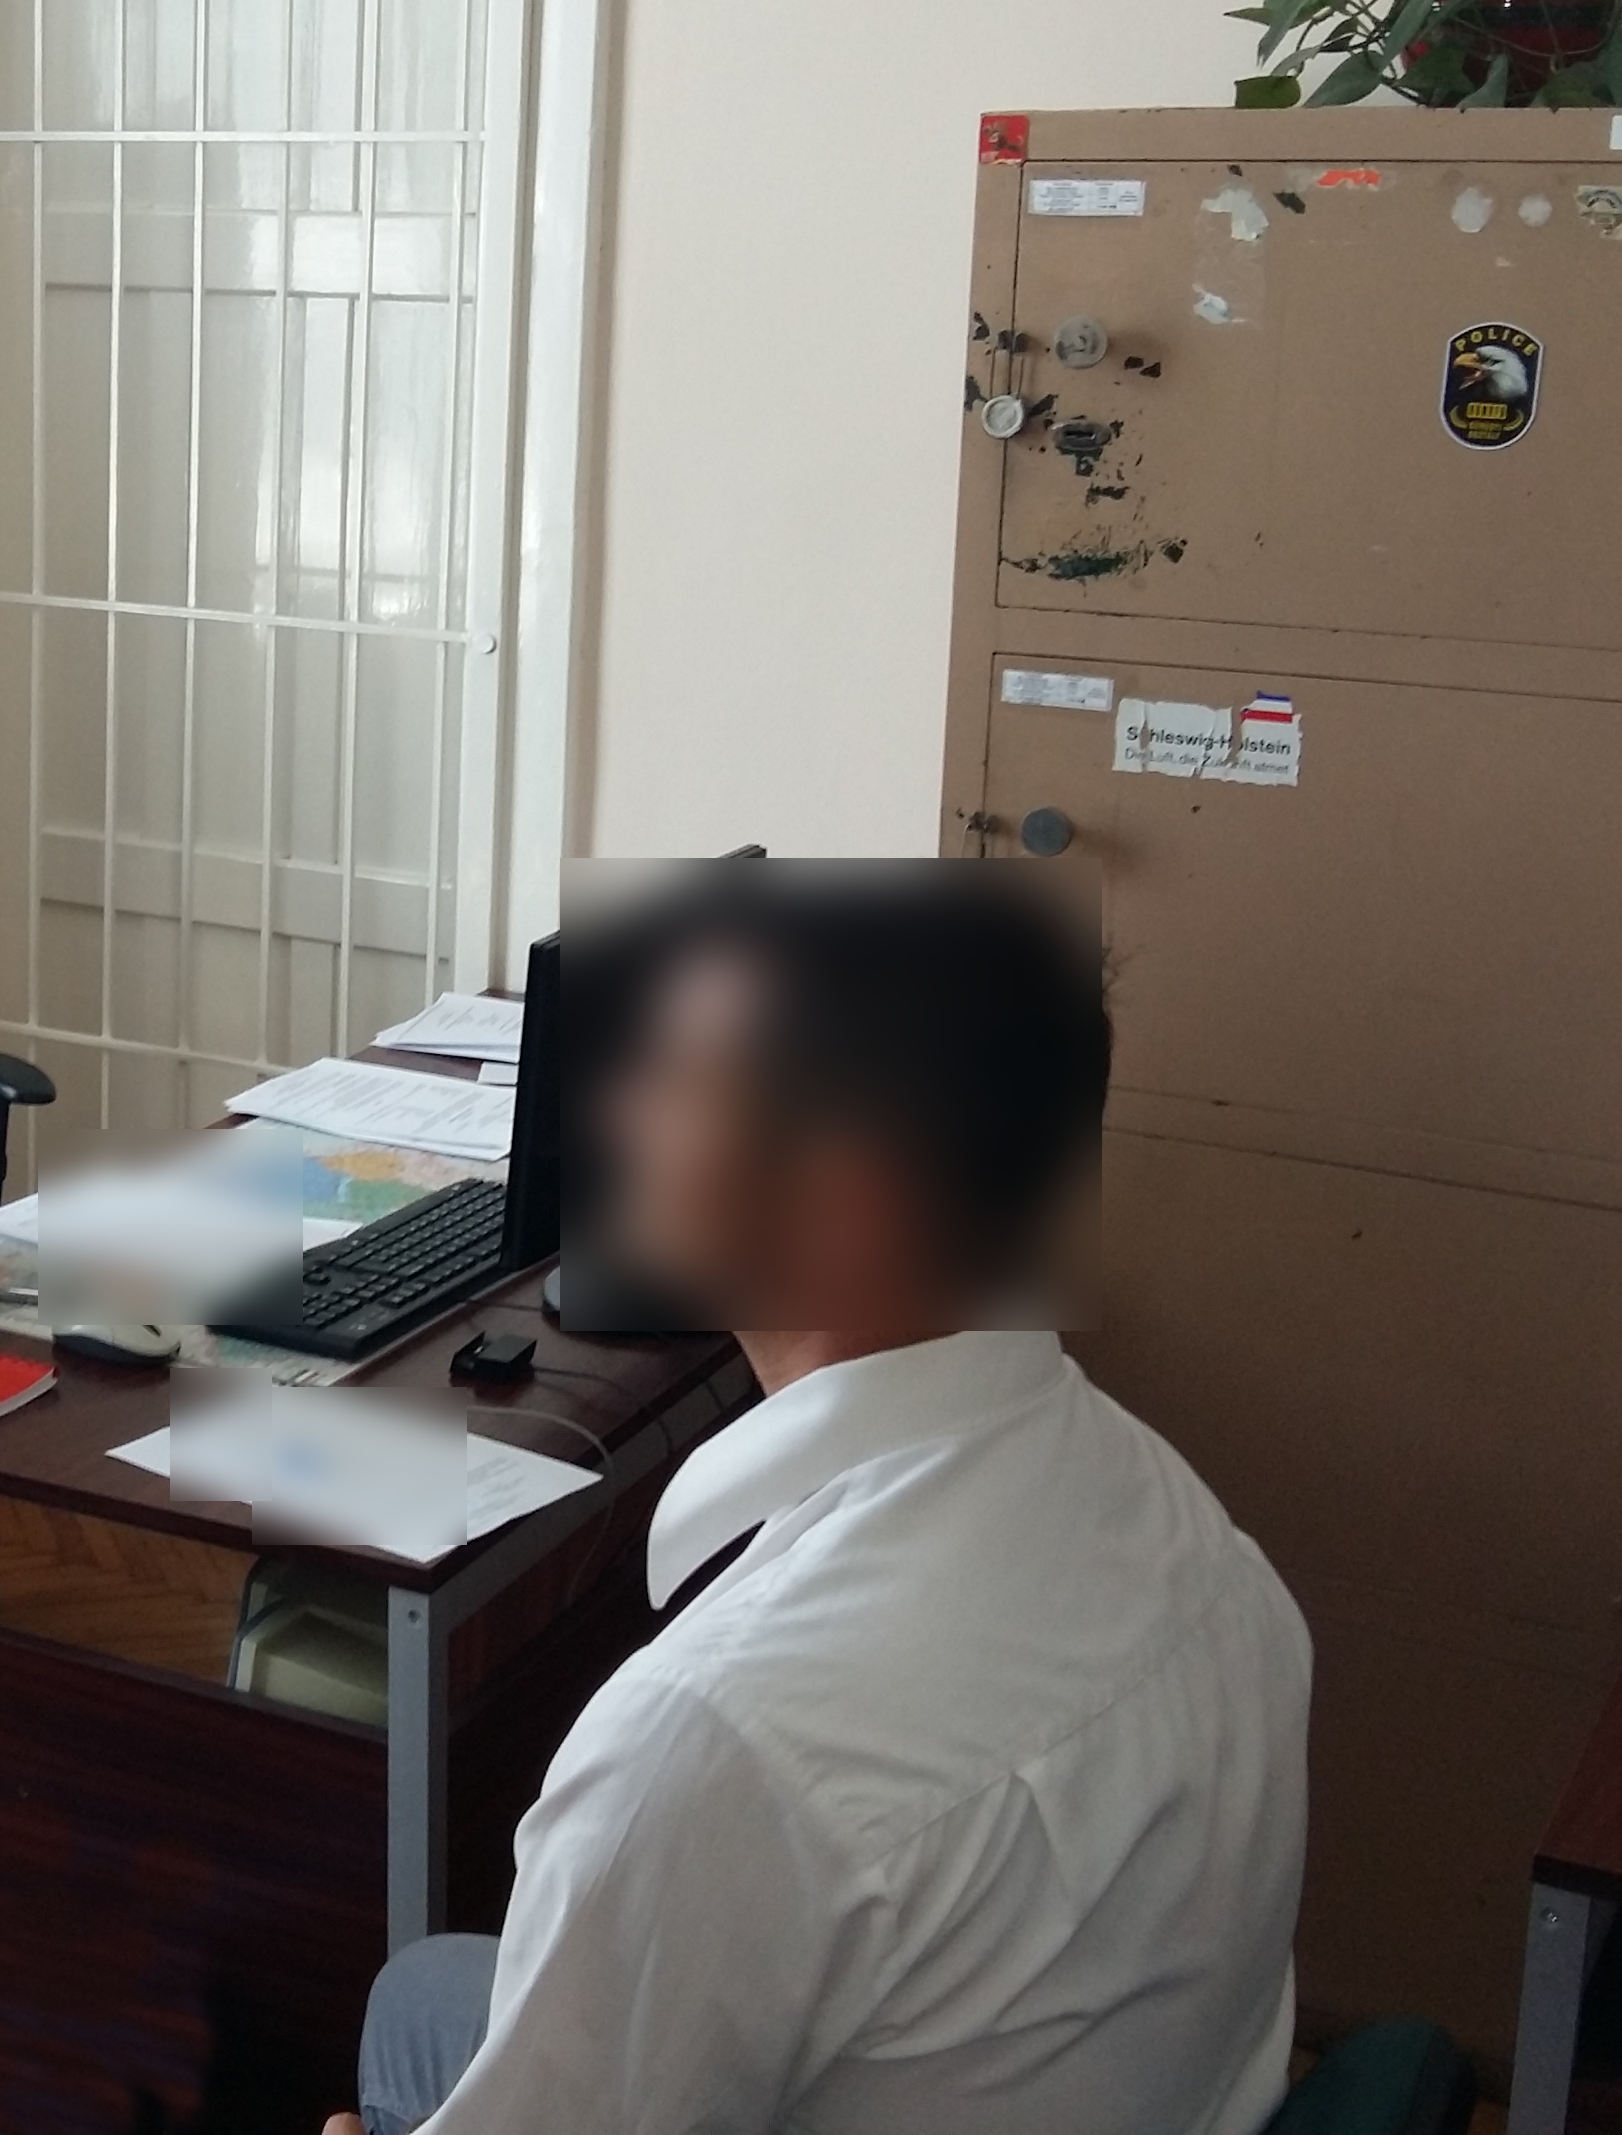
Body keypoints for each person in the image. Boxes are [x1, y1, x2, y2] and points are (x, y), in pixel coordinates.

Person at [329, 869, 1311, 2135]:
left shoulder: (714, 1747)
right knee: (428, 1995)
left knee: (415, 2006)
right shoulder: (1206, 1546)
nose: (616, 1108)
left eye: (673, 1078)